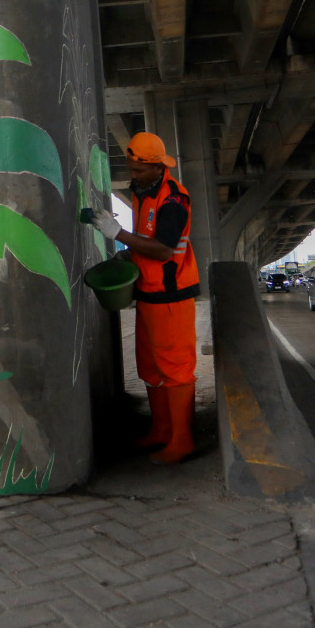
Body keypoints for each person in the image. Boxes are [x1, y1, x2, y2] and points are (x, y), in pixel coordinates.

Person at [87, 132, 200, 464]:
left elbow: (165, 248)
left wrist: (118, 235)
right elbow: (147, 240)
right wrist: (130, 256)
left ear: (156, 167)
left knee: (176, 368)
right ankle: (162, 431)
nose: (132, 176)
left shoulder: (173, 200)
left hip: (171, 296)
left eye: (138, 171)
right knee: (151, 367)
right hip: (149, 294)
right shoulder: (143, 192)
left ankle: (183, 440)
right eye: (130, 169)